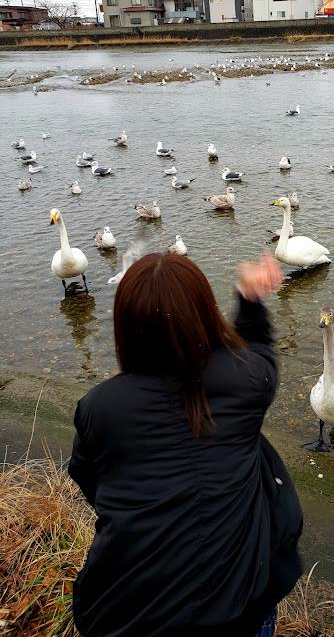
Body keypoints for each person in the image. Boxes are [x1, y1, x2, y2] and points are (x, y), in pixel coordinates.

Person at [68, 251, 303, 636]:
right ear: (204, 313)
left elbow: (88, 476)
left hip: (125, 615)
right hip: (240, 610)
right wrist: (250, 300)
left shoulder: (99, 407)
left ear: (125, 326)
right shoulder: (249, 382)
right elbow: (260, 353)